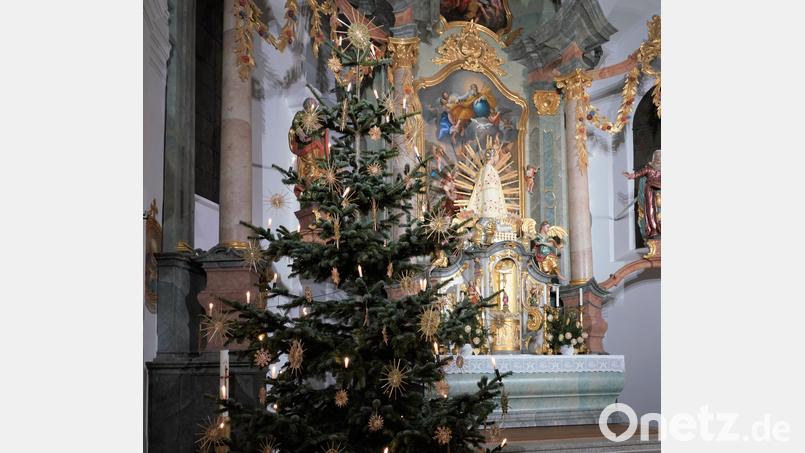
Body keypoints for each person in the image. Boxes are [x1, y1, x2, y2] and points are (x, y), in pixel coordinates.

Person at [623, 149, 661, 239]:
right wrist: (630, 175)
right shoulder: (649, 168)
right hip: (650, 189)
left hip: (660, 190)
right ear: (654, 158)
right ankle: (653, 229)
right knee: (650, 209)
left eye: (660, 157)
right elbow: (638, 174)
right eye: (657, 157)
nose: (659, 159)